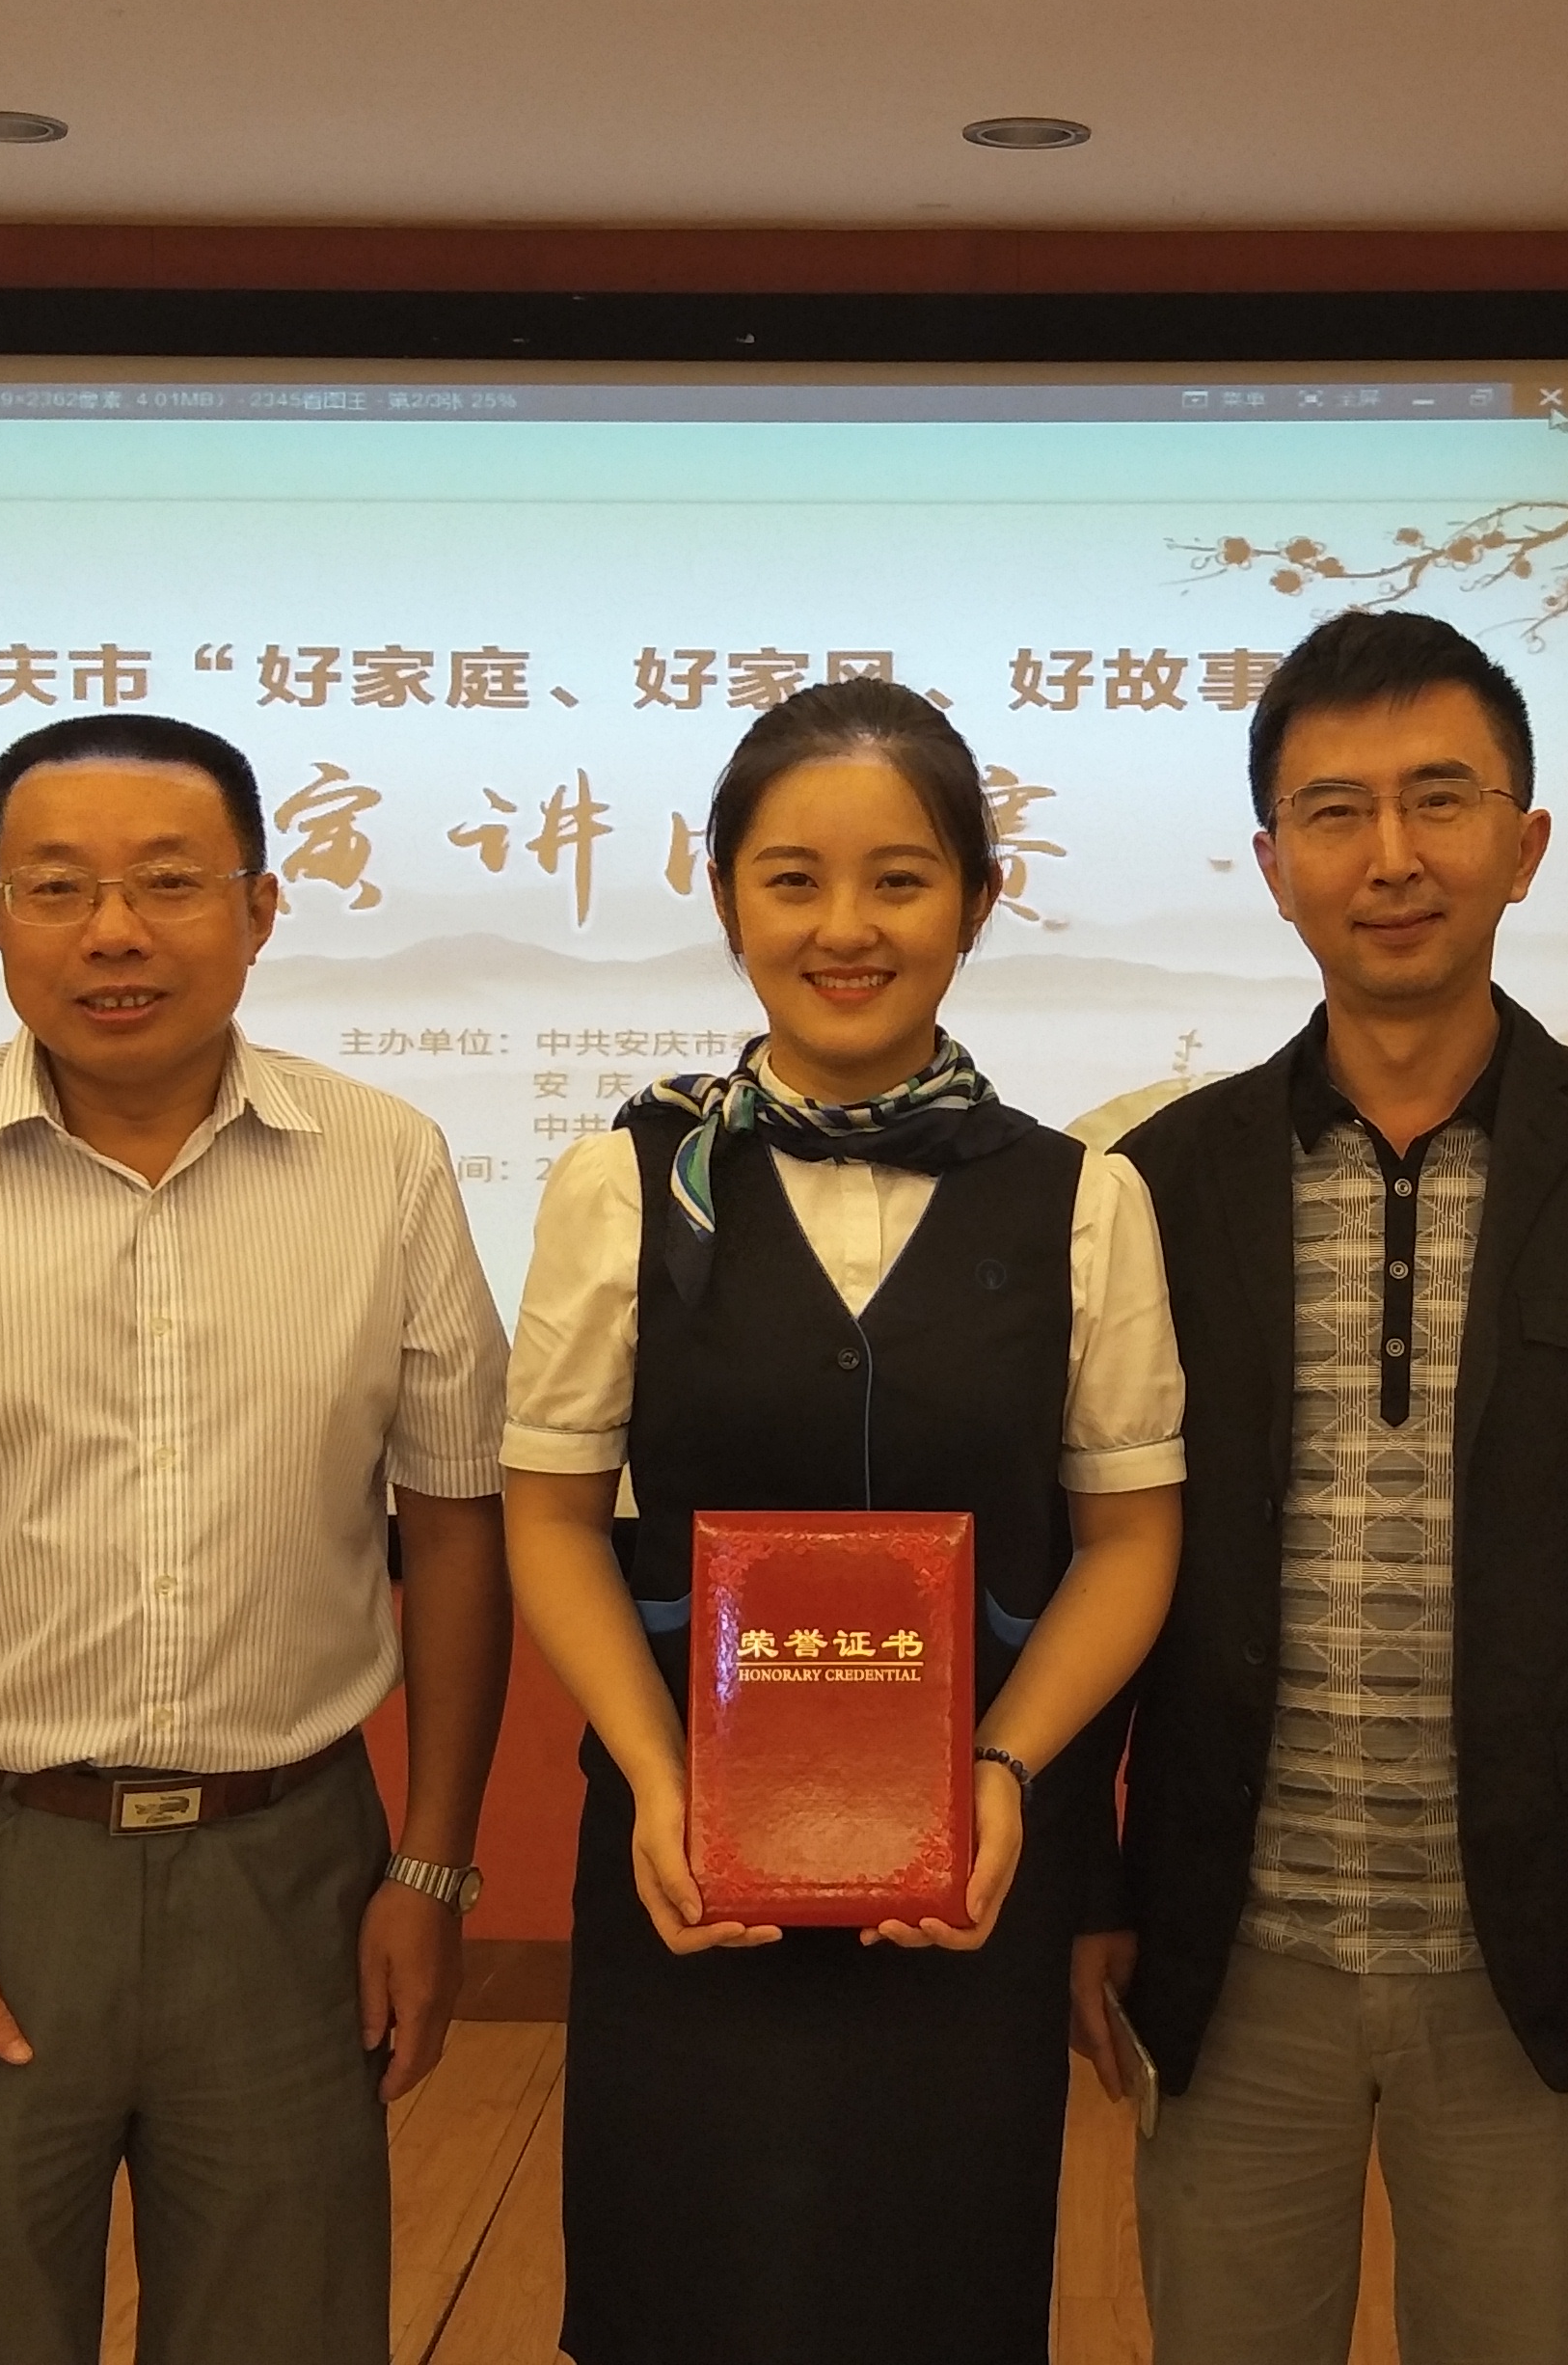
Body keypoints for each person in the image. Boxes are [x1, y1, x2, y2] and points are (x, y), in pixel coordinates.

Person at [0, 714, 511, 2365]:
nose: (113, 931)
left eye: (169, 883)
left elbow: (457, 1525)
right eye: (56, 887)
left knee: (288, 2332)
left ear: (261, 909)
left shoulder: (387, 1164)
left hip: (293, 1872)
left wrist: (431, 1867)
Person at [1073, 609, 1568, 2365]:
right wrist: (1090, 1887)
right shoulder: (1164, 1181)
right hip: (1232, 1945)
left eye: (1442, 800)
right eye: (1337, 812)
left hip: (1535, 1954)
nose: (1393, 857)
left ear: (1526, 844)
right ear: (1272, 866)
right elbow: (1101, 1554)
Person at [500, 678, 1187, 2365]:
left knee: (936, 2298)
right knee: (681, 2304)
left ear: (979, 898)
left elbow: (1131, 1544)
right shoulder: (628, 1186)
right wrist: (657, 1779)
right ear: (726, 894)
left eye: (900, 878)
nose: (845, 928)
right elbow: (551, 1519)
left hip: (969, 1885)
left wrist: (1004, 1772)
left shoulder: (1084, 1201)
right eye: (792, 879)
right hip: (682, 1875)